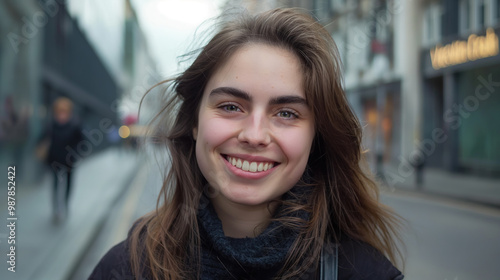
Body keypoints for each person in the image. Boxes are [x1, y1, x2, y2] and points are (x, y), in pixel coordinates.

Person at [89, 8, 404, 280]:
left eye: (286, 113)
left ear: (315, 136)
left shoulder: (363, 272)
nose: (254, 135)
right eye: (230, 106)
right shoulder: (127, 269)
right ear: (195, 122)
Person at [39, 97, 83, 222]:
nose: (62, 115)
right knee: (55, 184)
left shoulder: (75, 125)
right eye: (60, 112)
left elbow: (82, 141)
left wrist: (76, 153)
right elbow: (43, 138)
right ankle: (56, 209)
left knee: (68, 183)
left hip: (69, 160)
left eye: (64, 112)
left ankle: (65, 205)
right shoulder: (51, 125)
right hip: (54, 159)